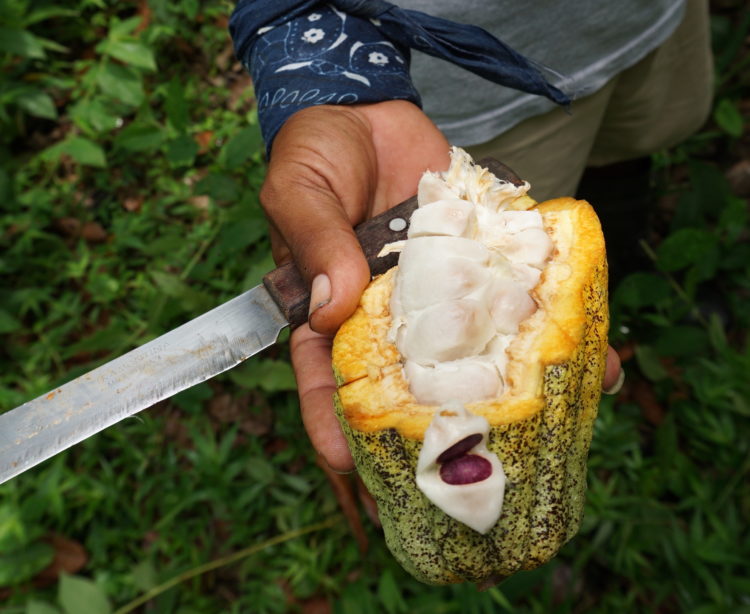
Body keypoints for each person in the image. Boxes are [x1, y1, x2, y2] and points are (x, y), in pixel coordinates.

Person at [230, 0, 712, 472]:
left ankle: (624, 261)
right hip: (458, 92)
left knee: (632, 149)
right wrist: (319, 60)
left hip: (645, 19)